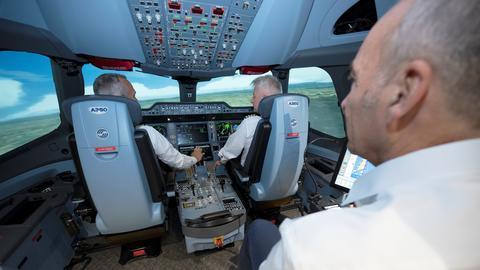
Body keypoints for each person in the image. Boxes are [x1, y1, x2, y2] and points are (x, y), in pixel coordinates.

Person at [239, 0, 480, 269]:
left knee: (259, 230)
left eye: (354, 81)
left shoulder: (307, 247)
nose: (345, 102)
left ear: (404, 91)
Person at [92, 73, 203, 169]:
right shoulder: (145, 133)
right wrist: (195, 158)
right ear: (123, 102)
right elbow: (179, 162)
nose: (137, 100)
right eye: (133, 96)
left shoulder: (84, 135)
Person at [217, 75, 282, 166]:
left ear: (266, 100)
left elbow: (231, 151)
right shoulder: (290, 123)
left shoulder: (250, 123)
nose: (251, 100)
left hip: (250, 177)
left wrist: (220, 160)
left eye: (254, 96)